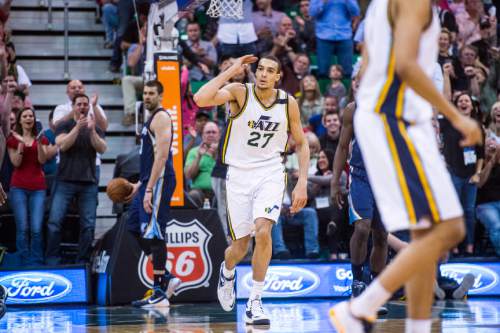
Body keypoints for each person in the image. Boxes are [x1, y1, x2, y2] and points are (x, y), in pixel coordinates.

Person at [329, 1, 482, 333]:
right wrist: (456, 117)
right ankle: (362, 307)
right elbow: (407, 67)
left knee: (432, 231)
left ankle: (412, 323)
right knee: (446, 228)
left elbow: (372, 61)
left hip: (393, 118)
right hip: (393, 120)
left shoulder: (379, 9)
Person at [194, 54, 309, 325]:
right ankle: (228, 270)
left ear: (279, 77)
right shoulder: (239, 92)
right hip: (238, 177)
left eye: (270, 70)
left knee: (264, 232)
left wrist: (302, 182)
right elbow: (200, 98)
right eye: (260, 69)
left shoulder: (287, 102)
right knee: (239, 247)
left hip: (270, 172)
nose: (264, 74)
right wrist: (231, 70)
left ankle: (255, 301)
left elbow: (302, 143)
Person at [124, 80, 181, 307]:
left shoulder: (162, 117)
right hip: (149, 181)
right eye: (145, 93)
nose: (147, 97)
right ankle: (166, 276)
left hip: (161, 181)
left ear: (161, 95)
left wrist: (149, 188)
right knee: (132, 226)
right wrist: (141, 182)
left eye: (151, 93)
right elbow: (149, 156)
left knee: (155, 234)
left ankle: (159, 292)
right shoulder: (150, 118)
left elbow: (162, 157)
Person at [331, 101, 388, 313]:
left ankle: (375, 291)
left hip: (388, 179)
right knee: (363, 227)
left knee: (381, 235)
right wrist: (335, 181)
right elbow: (343, 146)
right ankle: (357, 283)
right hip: (361, 176)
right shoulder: (353, 109)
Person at [46, 94, 107, 265]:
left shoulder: (94, 126)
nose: (82, 107)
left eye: (85, 104)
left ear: (89, 107)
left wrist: (93, 131)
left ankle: (82, 261)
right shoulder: (64, 125)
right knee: (54, 222)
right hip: (65, 180)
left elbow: (102, 148)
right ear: (73, 106)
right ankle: (52, 260)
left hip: (88, 182)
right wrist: (77, 128)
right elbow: (63, 145)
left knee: (88, 225)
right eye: (79, 104)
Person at [7, 108, 55, 265]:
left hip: (38, 188)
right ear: (20, 120)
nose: (28, 118)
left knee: (36, 228)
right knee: (22, 228)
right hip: (18, 187)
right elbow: (16, 163)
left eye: (31, 116)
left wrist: (39, 144)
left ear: (34, 120)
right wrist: (21, 144)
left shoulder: (42, 139)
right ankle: (23, 260)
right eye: (25, 116)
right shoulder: (12, 139)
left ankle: (36, 261)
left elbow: (42, 161)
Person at [184, 121, 220, 207]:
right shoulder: (194, 152)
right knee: (193, 195)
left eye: (214, 132)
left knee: (225, 197)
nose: (211, 134)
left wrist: (217, 155)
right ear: (203, 136)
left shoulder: (224, 152)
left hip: (219, 191)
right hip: (199, 191)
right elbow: (188, 175)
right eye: (208, 132)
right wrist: (199, 156)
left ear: (219, 135)